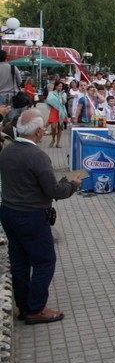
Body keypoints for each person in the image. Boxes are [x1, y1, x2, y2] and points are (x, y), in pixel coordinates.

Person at [0, 109, 81, 324]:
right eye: (42, 128)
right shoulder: (37, 156)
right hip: (31, 216)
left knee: (19, 260)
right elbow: (54, 191)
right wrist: (72, 184)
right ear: (37, 132)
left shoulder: (7, 151)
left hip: (8, 211)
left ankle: (24, 306)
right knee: (45, 261)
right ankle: (36, 309)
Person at [45, 80, 68, 148]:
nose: (60, 87)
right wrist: (54, 104)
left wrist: (61, 96)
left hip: (61, 111)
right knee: (53, 127)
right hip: (54, 111)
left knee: (60, 128)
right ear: (55, 86)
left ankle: (58, 143)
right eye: (59, 86)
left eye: (61, 86)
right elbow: (49, 100)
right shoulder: (51, 93)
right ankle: (53, 139)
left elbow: (64, 102)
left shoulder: (64, 94)